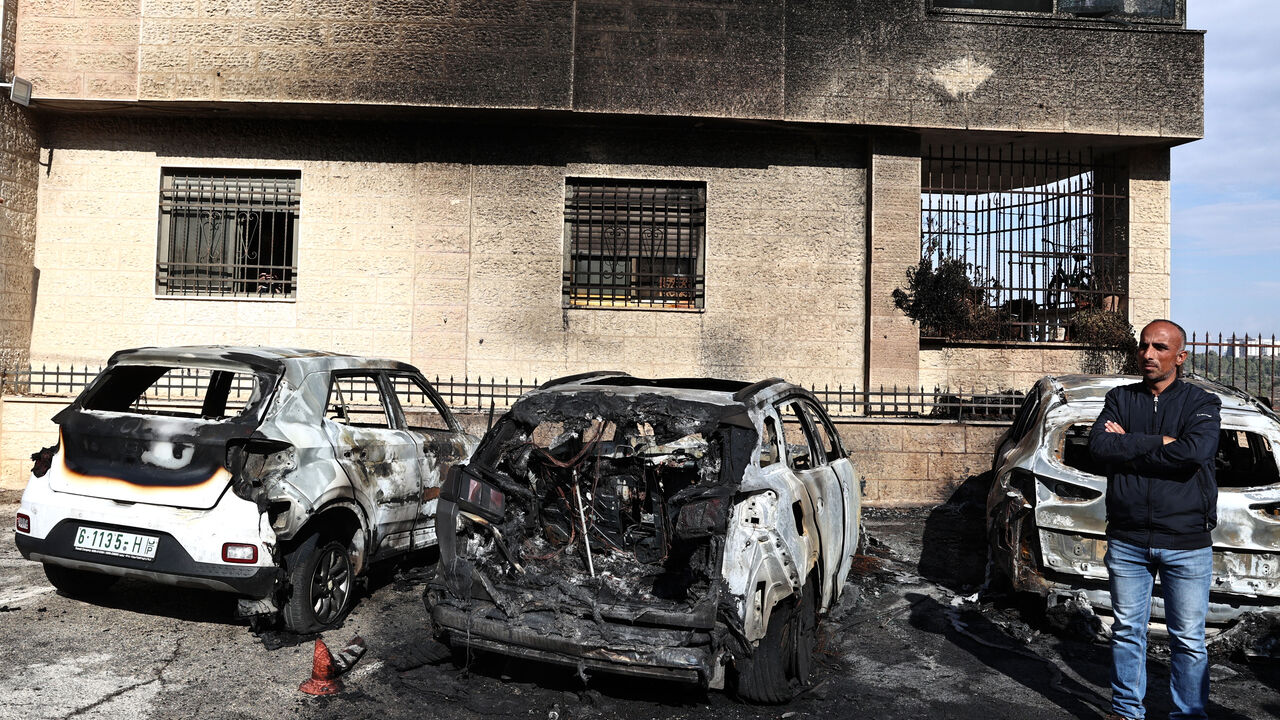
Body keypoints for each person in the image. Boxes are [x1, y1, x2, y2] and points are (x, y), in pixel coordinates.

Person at [1089, 319, 1221, 720]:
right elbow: (1098, 445)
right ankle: (1127, 711)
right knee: (1128, 632)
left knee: (1189, 640)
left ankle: (1190, 714)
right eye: (1144, 345)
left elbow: (1195, 452)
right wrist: (1158, 442)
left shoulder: (1201, 403)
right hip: (1128, 539)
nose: (1148, 354)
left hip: (1186, 542)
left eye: (1160, 348)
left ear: (1180, 357)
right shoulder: (1120, 397)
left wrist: (1127, 444)